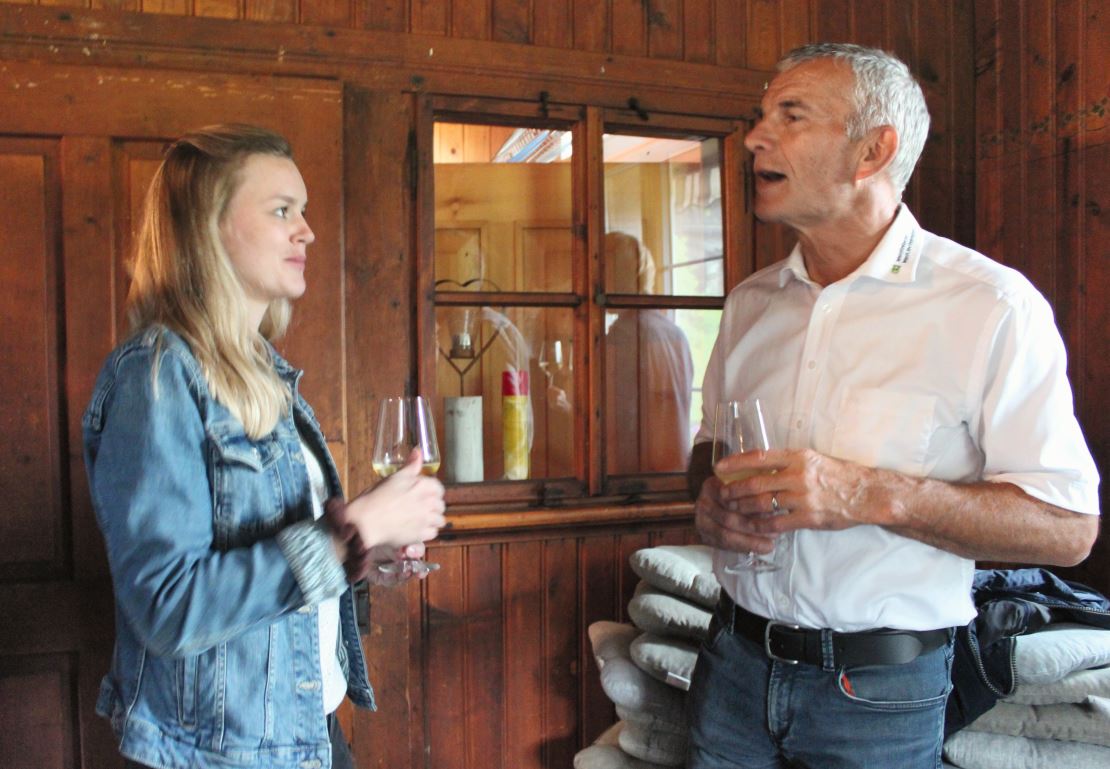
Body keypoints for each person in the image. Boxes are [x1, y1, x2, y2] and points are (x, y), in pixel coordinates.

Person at [685, 43, 1099, 769]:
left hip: (879, 695)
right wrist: (709, 499)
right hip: (730, 670)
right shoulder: (750, 305)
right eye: (760, 116)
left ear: (873, 150)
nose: (755, 136)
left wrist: (867, 493)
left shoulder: (991, 306)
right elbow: (707, 451)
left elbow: (1068, 528)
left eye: (791, 114)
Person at [82, 124, 447, 769]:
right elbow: (169, 610)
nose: (306, 231)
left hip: (306, 732)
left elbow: (289, 585)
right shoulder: (157, 372)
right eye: (283, 211)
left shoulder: (265, 373)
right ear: (208, 229)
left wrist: (368, 549)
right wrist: (348, 531)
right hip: (217, 754)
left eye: (302, 211)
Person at [604, 231, 695, 473]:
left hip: (636, 477)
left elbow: (621, 421)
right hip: (676, 472)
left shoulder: (623, 336)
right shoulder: (675, 333)